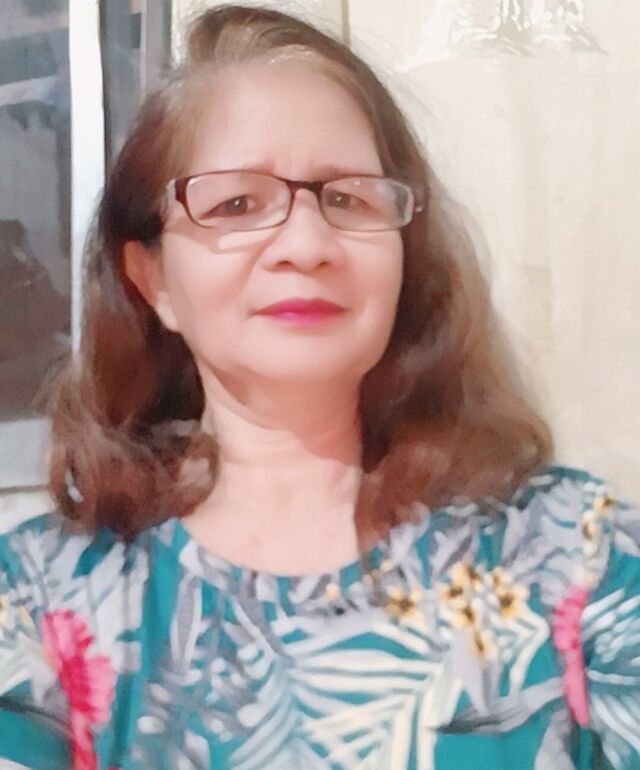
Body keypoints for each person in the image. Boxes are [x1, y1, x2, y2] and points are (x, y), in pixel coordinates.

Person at [0, 5, 638, 769]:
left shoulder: (580, 556)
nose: (306, 245)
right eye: (236, 203)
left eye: (349, 198)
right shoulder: (35, 602)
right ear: (153, 277)